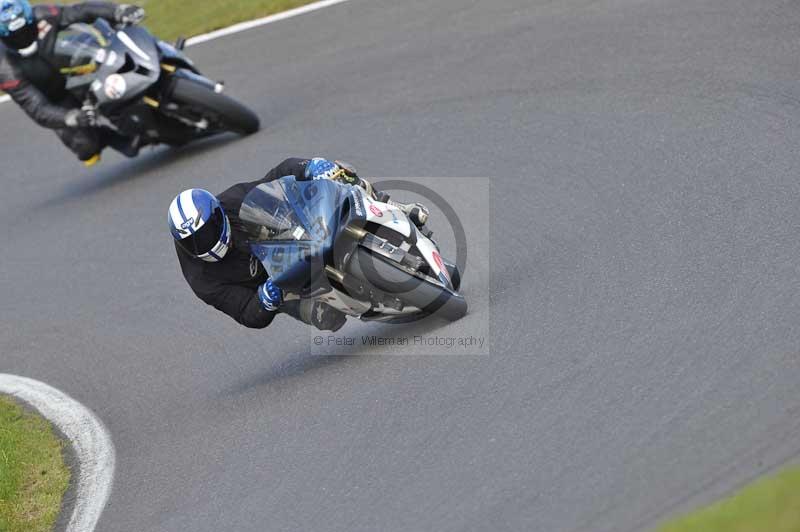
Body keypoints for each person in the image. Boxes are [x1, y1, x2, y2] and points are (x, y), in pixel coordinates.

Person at [168, 158, 429, 331]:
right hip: (275, 281)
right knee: (324, 317)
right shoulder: (201, 279)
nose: (204, 242)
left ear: (218, 214)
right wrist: (264, 300)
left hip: (286, 236)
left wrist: (310, 167)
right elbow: (244, 312)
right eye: (193, 241)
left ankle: (390, 205)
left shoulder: (233, 201)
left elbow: (275, 176)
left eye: (207, 231)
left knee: (339, 176)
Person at [0, 0, 146, 165]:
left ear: (31, 18)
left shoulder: (42, 14)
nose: (23, 36)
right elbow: (36, 108)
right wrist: (71, 117)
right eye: (15, 35)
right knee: (86, 149)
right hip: (58, 99)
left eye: (27, 28)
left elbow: (80, 11)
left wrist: (117, 11)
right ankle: (112, 137)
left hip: (82, 72)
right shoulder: (5, 69)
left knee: (121, 67)